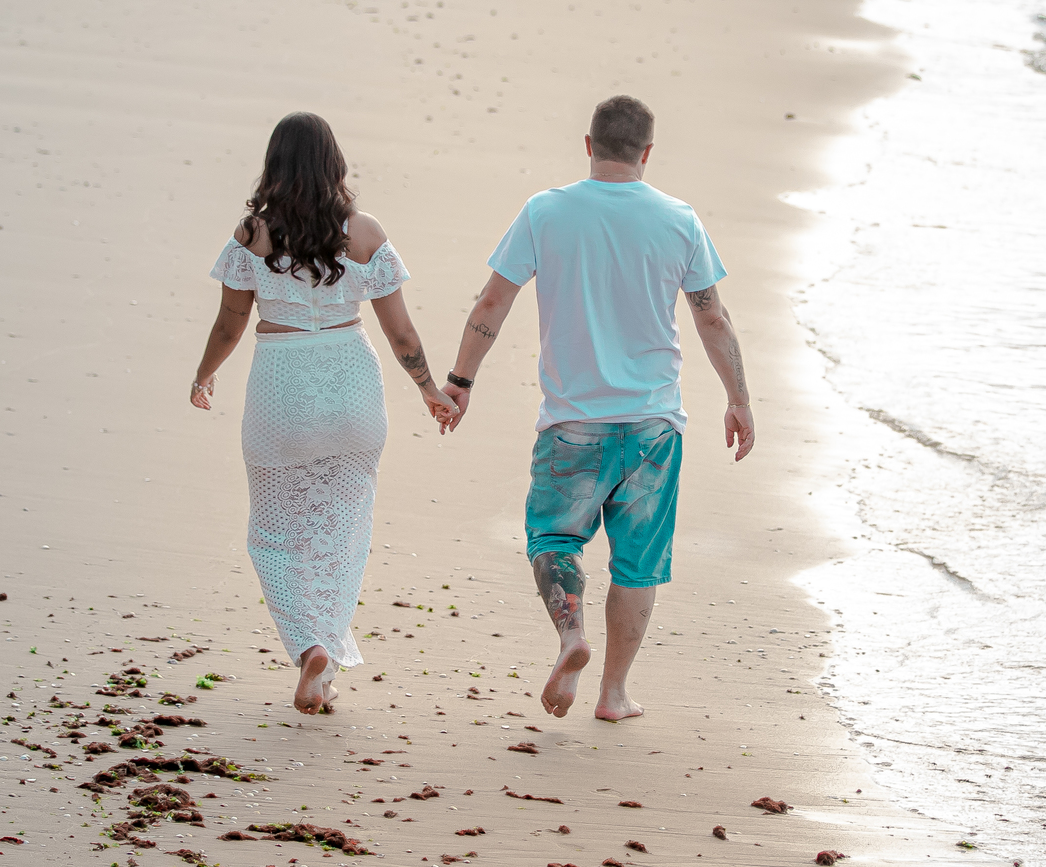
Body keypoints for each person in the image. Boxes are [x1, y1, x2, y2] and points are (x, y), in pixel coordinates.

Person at [438, 94, 754, 723]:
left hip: (572, 420)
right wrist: (739, 399)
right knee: (638, 562)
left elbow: (492, 304)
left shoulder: (546, 212)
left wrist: (460, 381)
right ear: (647, 152)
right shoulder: (679, 219)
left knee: (555, 537)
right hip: (653, 425)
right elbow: (710, 315)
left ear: (588, 144)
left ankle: (570, 637)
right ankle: (613, 694)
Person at [190, 112, 453, 715]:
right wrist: (428, 389)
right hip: (351, 386)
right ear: (334, 163)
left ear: (274, 163)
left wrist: (205, 374)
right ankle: (325, 661)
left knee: (274, 535)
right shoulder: (364, 232)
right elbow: (401, 330)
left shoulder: (251, 234)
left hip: (280, 385)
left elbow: (231, 322)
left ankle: (309, 644)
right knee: (343, 532)